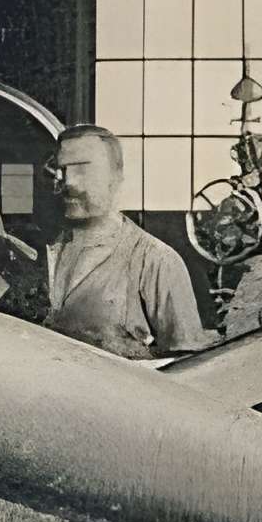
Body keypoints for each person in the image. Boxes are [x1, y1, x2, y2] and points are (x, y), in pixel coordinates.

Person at [41, 124, 206, 359]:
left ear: (116, 176)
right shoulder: (43, 253)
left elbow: (187, 364)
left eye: (82, 170)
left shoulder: (157, 261)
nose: (68, 182)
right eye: (61, 170)